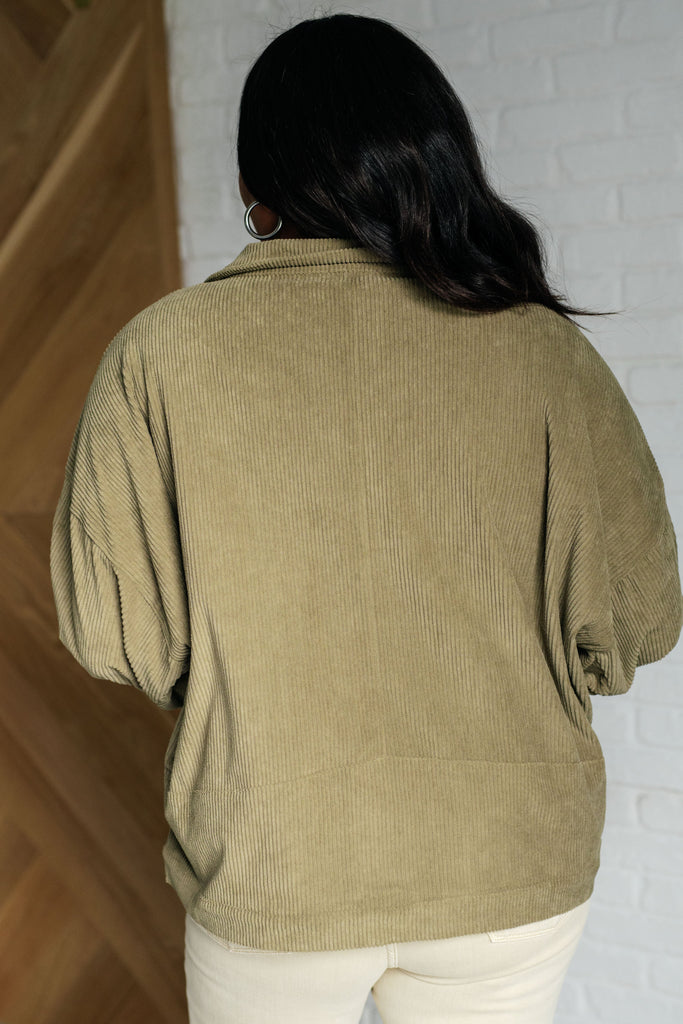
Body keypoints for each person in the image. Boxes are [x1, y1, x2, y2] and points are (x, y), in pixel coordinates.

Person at [49, 12, 682, 1024]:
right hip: (506, 866)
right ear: (438, 160)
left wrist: (248, 678)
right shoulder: (544, 354)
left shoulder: (160, 354)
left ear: (255, 187)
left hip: (276, 865)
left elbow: (113, 634)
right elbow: (635, 623)